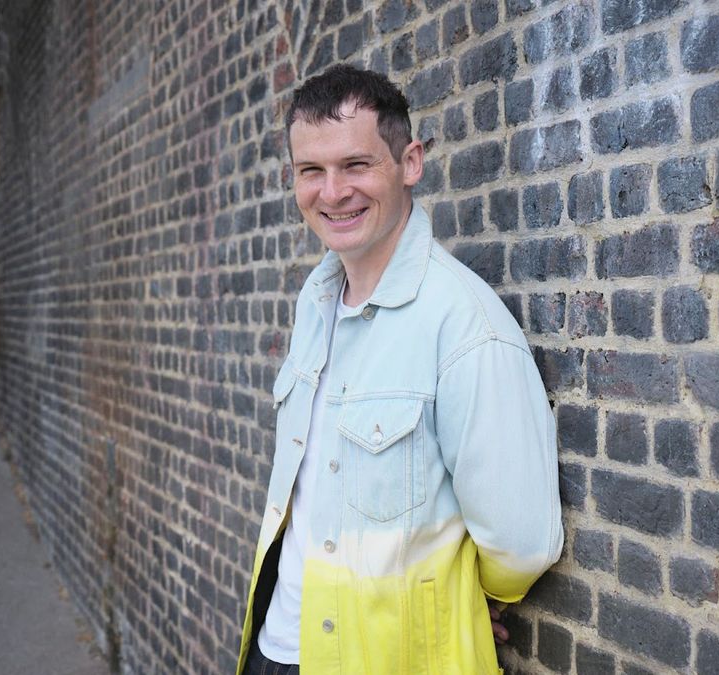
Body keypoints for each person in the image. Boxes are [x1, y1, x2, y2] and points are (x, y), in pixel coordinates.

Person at [236, 64, 564, 675]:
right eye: (312, 171)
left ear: (410, 162)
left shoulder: (464, 325)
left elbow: (521, 541)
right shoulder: (315, 305)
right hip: (274, 648)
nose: (332, 193)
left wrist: (457, 597)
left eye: (356, 165)